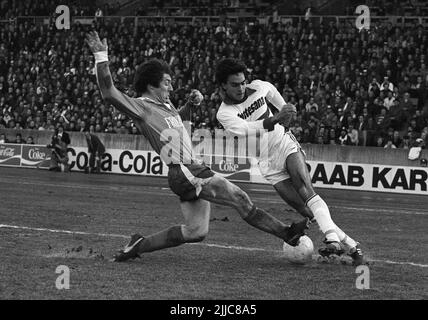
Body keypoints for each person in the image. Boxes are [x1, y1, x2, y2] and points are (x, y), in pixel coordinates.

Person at [85, 31, 308, 262]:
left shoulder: (167, 106)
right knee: (240, 198)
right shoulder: (142, 107)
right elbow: (109, 92)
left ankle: (138, 245)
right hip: (184, 170)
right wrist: (101, 57)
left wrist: (190, 106)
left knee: (196, 231)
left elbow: (178, 125)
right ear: (152, 86)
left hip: (186, 172)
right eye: (167, 83)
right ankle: (287, 233)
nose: (171, 88)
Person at [215, 58, 364, 265]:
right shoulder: (224, 113)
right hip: (267, 163)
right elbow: (246, 129)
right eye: (234, 84)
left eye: (242, 82)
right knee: (305, 210)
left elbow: (283, 105)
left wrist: (287, 114)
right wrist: (276, 118)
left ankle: (332, 240)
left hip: (283, 143)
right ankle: (353, 247)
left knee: (305, 189)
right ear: (223, 85)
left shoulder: (259, 87)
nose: (241, 88)